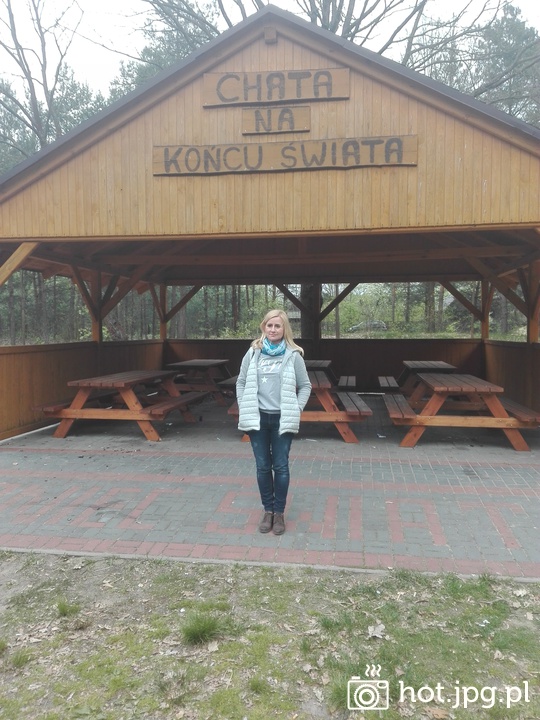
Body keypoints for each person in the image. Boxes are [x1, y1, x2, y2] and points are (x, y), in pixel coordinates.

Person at [236, 309, 312, 536]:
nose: (273, 329)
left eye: (277, 326)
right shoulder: (253, 353)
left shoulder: (293, 355)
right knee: (262, 466)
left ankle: (279, 513)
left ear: (284, 328)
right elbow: (241, 382)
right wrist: (243, 404)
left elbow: (305, 386)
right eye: (269, 325)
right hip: (257, 418)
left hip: (282, 418)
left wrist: (297, 409)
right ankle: (267, 510)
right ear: (264, 327)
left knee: (280, 466)